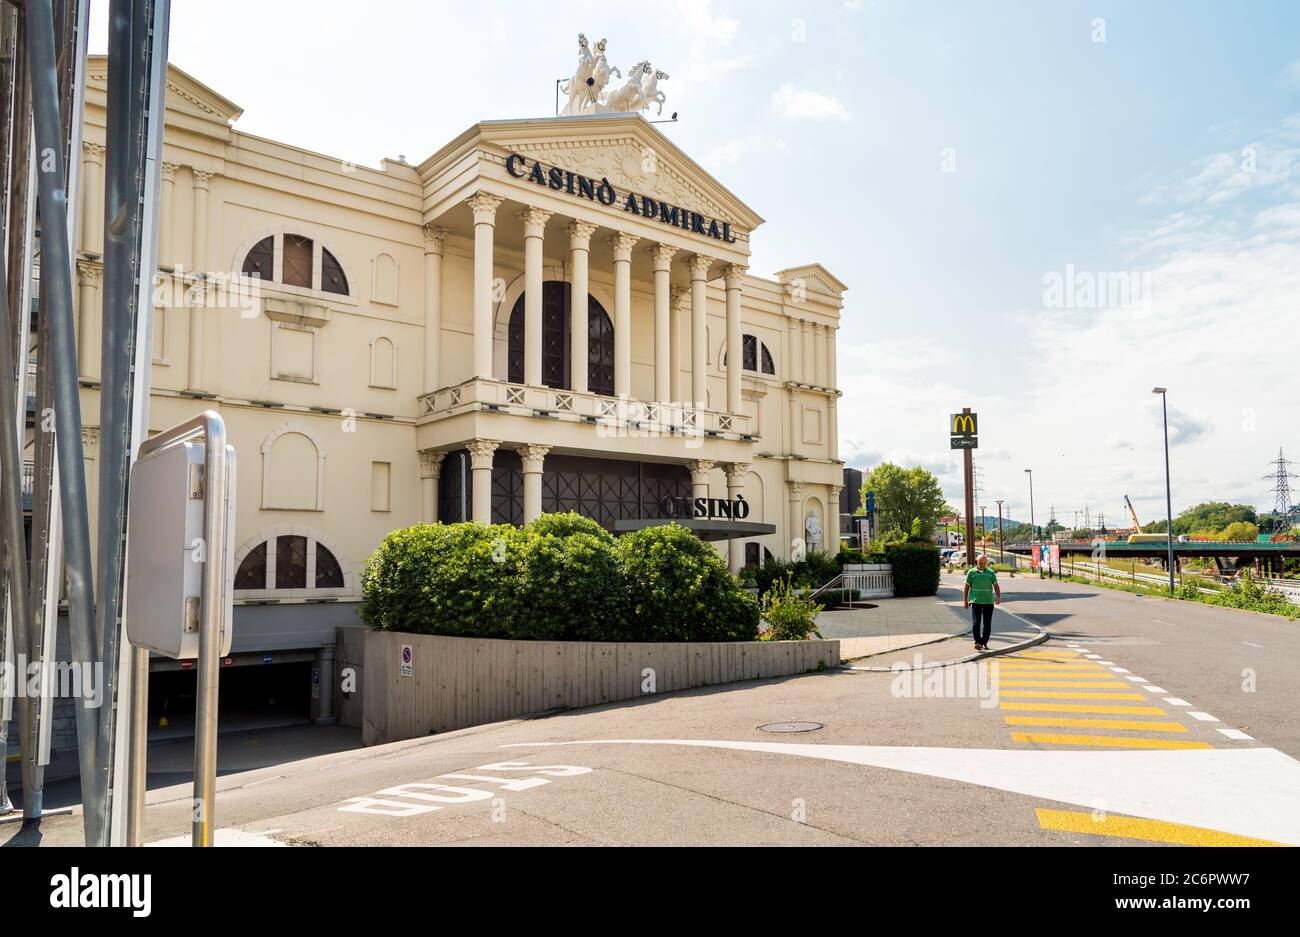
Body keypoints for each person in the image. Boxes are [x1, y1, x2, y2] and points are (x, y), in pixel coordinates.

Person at [963, 553, 1001, 651]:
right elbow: (966, 587)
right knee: (976, 623)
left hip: (988, 602)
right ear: (977, 561)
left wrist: (998, 596)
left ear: (987, 563)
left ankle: (984, 642)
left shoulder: (991, 572)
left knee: (987, 625)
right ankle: (978, 642)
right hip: (976, 602)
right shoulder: (971, 572)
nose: (982, 565)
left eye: (984, 563)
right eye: (980, 563)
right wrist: (965, 601)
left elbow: (996, 585)